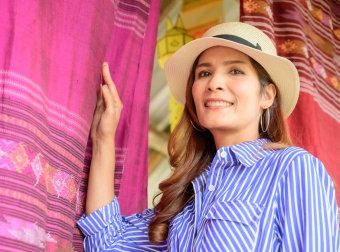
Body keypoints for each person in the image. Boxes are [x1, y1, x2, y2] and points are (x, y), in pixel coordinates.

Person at [77, 22, 340, 251]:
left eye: (235, 70)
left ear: (267, 95)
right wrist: (103, 139)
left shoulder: (293, 167)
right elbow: (106, 241)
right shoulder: (188, 194)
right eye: (204, 73)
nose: (214, 83)